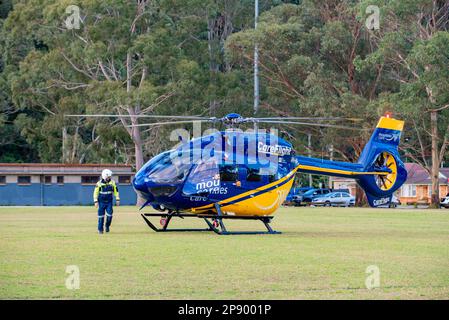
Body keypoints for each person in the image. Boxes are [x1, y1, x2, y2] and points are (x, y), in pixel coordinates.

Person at [93, 169, 120, 234]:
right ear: (104, 176)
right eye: (109, 177)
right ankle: (100, 230)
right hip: (101, 202)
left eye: (110, 177)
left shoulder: (112, 182)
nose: (110, 178)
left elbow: (116, 191)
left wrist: (117, 198)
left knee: (110, 215)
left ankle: (107, 226)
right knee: (101, 216)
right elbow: (95, 192)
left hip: (109, 202)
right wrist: (95, 201)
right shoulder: (99, 183)